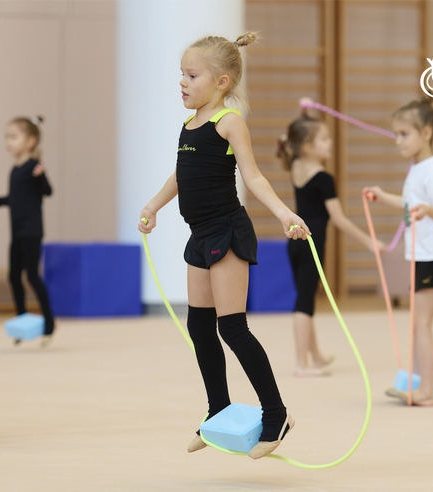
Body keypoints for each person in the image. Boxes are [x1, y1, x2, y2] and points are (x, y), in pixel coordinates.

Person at [138, 32, 310, 460]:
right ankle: (218, 410)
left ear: (222, 83)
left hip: (227, 232)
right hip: (200, 236)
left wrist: (285, 213)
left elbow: (253, 177)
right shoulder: (189, 125)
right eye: (181, 74)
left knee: (232, 328)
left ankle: (277, 414)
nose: (182, 81)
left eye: (192, 75)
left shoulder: (228, 121)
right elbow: (181, 174)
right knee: (200, 327)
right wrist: (154, 205)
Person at [278, 106, 384, 377]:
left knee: (307, 297)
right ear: (308, 145)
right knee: (304, 301)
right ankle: (301, 363)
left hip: (295, 242)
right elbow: (338, 218)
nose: (330, 143)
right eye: (324, 139)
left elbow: (292, 140)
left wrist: (303, 114)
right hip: (312, 242)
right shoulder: (324, 178)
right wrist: (368, 241)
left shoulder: (296, 164)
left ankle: (315, 355)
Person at [364, 98, 433, 407]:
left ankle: (426, 390)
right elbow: (409, 203)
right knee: (417, 324)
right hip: (422, 255)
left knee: (422, 324)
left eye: (404, 134)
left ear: (426, 133)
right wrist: (381, 196)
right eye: (396, 134)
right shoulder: (418, 169)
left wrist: (428, 210)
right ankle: (418, 383)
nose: (398, 140)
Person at [0, 116, 55, 346]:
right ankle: (21, 321)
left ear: (30, 141)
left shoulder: (33, 167)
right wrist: (2, 201)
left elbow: (48, 191)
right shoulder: (14, 170)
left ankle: (49, 322)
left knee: (32, 276)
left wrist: (40, 178)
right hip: (16, 233)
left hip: (31, 231)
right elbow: (18, 199)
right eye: (7, 137)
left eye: (14, 136)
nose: (8, 142)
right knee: (13, 276)